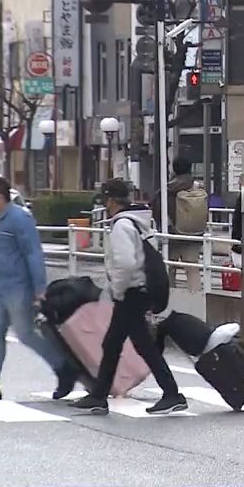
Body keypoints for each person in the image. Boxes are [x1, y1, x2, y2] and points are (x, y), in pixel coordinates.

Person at [71, 178, 188, 415]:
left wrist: (118, 290)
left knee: (134, 345)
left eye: (104, 198)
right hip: (140, 290)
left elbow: (125, 263)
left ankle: (170, 393)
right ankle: (100, 395)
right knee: (119, 343)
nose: (104, 203)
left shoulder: (123, 226)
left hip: (131, 292)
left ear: (111, 200)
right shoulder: (139, 221)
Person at [0, 177, 79, 401]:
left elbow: (33, 253)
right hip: (2, 288)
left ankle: (63, 368)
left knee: (25, 334)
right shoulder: (3, 220)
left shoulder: (20, 218)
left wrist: (39, 288)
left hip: (19, 288)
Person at [157, 156, 203, 292]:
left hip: (173, 234)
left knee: (170, 268)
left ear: (174, 169)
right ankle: (196, 299)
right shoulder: (198, 187)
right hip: (194, 234)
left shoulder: (168, 189)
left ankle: (171, 297)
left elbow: (156, 207)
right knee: (192, 269)